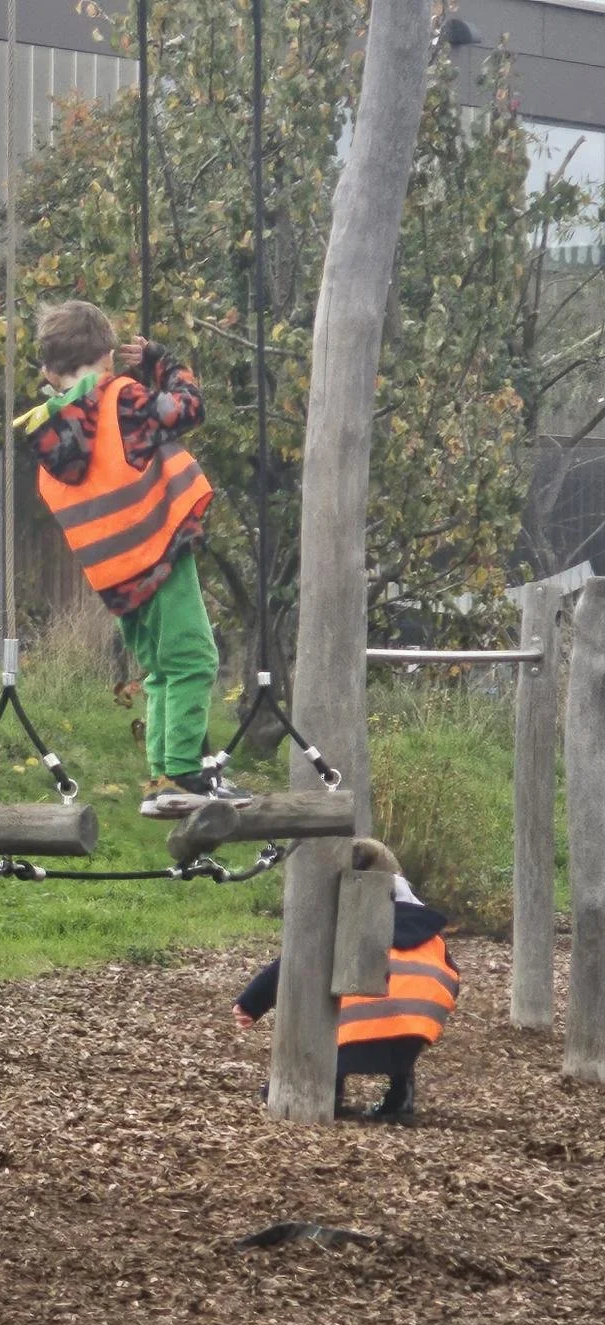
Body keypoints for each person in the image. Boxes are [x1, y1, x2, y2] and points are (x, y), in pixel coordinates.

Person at [26, 300, 248, 817]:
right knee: (193, 659)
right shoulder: (121, 400)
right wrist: (160, 363)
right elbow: (187, 407)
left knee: (160, 669)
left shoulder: (51, 430)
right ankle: (185, 773)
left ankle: (163, 778)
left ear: (46, 370)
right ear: (107, 356)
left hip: (114, 576)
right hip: (158, 555)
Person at [232, 839, 459, 1121]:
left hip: (354, 1034)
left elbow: (295, 963)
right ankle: (401, 1096)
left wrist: (251, 1003)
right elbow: (452, 976)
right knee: (394, 993)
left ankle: (328, 1087)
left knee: (325, 991)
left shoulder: (344, 923)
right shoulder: (428, 928)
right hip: (415, 1028)